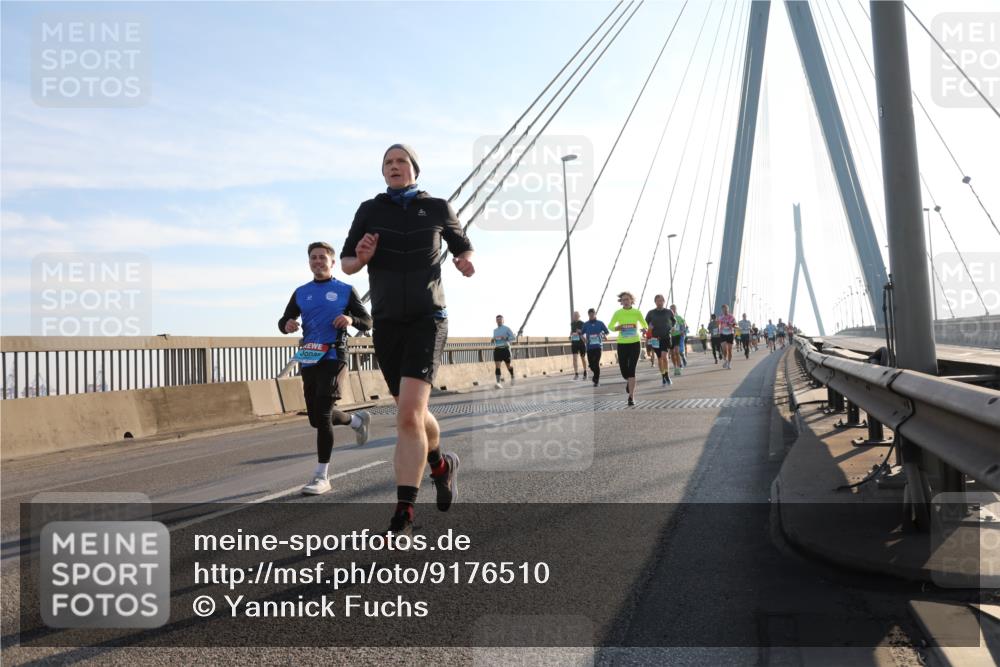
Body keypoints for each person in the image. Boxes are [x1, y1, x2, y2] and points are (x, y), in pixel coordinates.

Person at [341, 143, 474, 537]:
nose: (394, 167)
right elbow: (347, 262)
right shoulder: (370, 209)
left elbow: (461, 243)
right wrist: (361, 258)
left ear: (414, 169)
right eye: (387, 162)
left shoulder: (437, 207)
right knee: (410, 414)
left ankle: (403, 514)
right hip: (386, 322)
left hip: (426, 319)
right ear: (382, 172)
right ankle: (440, 465)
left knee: (407, 417)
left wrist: (466, 260)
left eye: (401, 161)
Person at [279, 241, 374, 496]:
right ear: (309, 262)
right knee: (315, 418)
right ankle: (356, 420)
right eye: (313, 258)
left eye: (322, 257)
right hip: (309, 354)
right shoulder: (301, 292)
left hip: (334, 353)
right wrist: (287, 324)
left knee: (322, 414)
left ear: (332, 262)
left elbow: (367, 321)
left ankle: (321, 476)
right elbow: (283, 319)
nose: (318, 261)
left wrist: (351, 319)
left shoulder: (344, 290)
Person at [609, 291, 648, 406]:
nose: (625, 301)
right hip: (622, 344)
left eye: (627, 299)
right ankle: (629, 381)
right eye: (623, 300)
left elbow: (644, 323)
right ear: (621, 302)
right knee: (624, 371)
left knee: (631, 370)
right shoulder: (618, 313)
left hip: (635, 343)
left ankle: (631, 396)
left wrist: (644, 329)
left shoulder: (637, 312)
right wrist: (617, 328)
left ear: (631, 300)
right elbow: (610, 326)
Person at [645, 294, 675, 386]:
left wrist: (672, 327)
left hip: (666, 336)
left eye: (661, 300)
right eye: (658, 300)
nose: (660, 302)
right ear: (655, 302)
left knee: (665, 357)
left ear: (664, 301)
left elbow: (673, 321)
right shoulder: (651, 313)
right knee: (659, 359)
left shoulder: (668, 312)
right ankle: (663, 377)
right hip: (655, 338)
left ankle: (667, 376)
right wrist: (649, 327)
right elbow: (646, 322)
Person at [581, 308, 610, 386]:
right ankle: (595, 376)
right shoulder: (586, 324)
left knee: (596, 363)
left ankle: (596, 380)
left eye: (592, 314)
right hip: (589, 347)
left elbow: (607, 332)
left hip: (598, 347)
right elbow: (581, 333)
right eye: (590, 315)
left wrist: (604, 335)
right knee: (591, 365)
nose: (591, 316)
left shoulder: (600, 323)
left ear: (595, 314)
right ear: (588, 315)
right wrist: (584, 340)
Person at [492, 314, 516, 388]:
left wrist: (506, 338)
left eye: (500, 319)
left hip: (505, 349)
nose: (499, 321)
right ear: (496, 321)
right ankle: (498, 383)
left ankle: (512, 376)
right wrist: (493, 340)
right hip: (497, 349)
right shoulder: (495, 330)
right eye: (497, 320)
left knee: (508, 366)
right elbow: (495, 340)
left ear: (503, 320)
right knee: (497, 366)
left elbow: (513, 338)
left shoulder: (507, 329)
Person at [669, 305, 686, 376]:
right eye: (671, 309)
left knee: (676, 351)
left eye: (674, 309)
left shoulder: (679, 318)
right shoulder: (668, 318)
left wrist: (682, 331)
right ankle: (675, 367)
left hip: (677, 336)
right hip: (670, 337)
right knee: (672, 353)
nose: (673, 310)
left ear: (676, 309)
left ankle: (678, 367)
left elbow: (683, 325)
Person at [718, 304, 737, 369]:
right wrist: (718, 331)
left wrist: (731, 324)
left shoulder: (731, 316)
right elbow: (718, 325)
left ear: (728, 309)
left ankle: (729, 364)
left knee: (730, 350)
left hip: (730, 334)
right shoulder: (720, 317)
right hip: (723, 334)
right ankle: (725, 361)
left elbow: (735, 324)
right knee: (724, 350)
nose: (725, 310)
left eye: (726, 309)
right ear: (722, 310)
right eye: (723, 309)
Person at [570, 311, 587, 380]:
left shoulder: (582, 323)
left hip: (581, 343)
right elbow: (571, 331)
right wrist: (571, 334)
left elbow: (584, 332)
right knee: (574, 358)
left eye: (576, 315)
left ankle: (585, 371)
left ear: (579, 316)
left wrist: (579, 331)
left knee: (583, 358)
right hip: (574, 342)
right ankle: (576, 373)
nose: (575, 316)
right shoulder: (572, 323)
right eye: (574, 315)